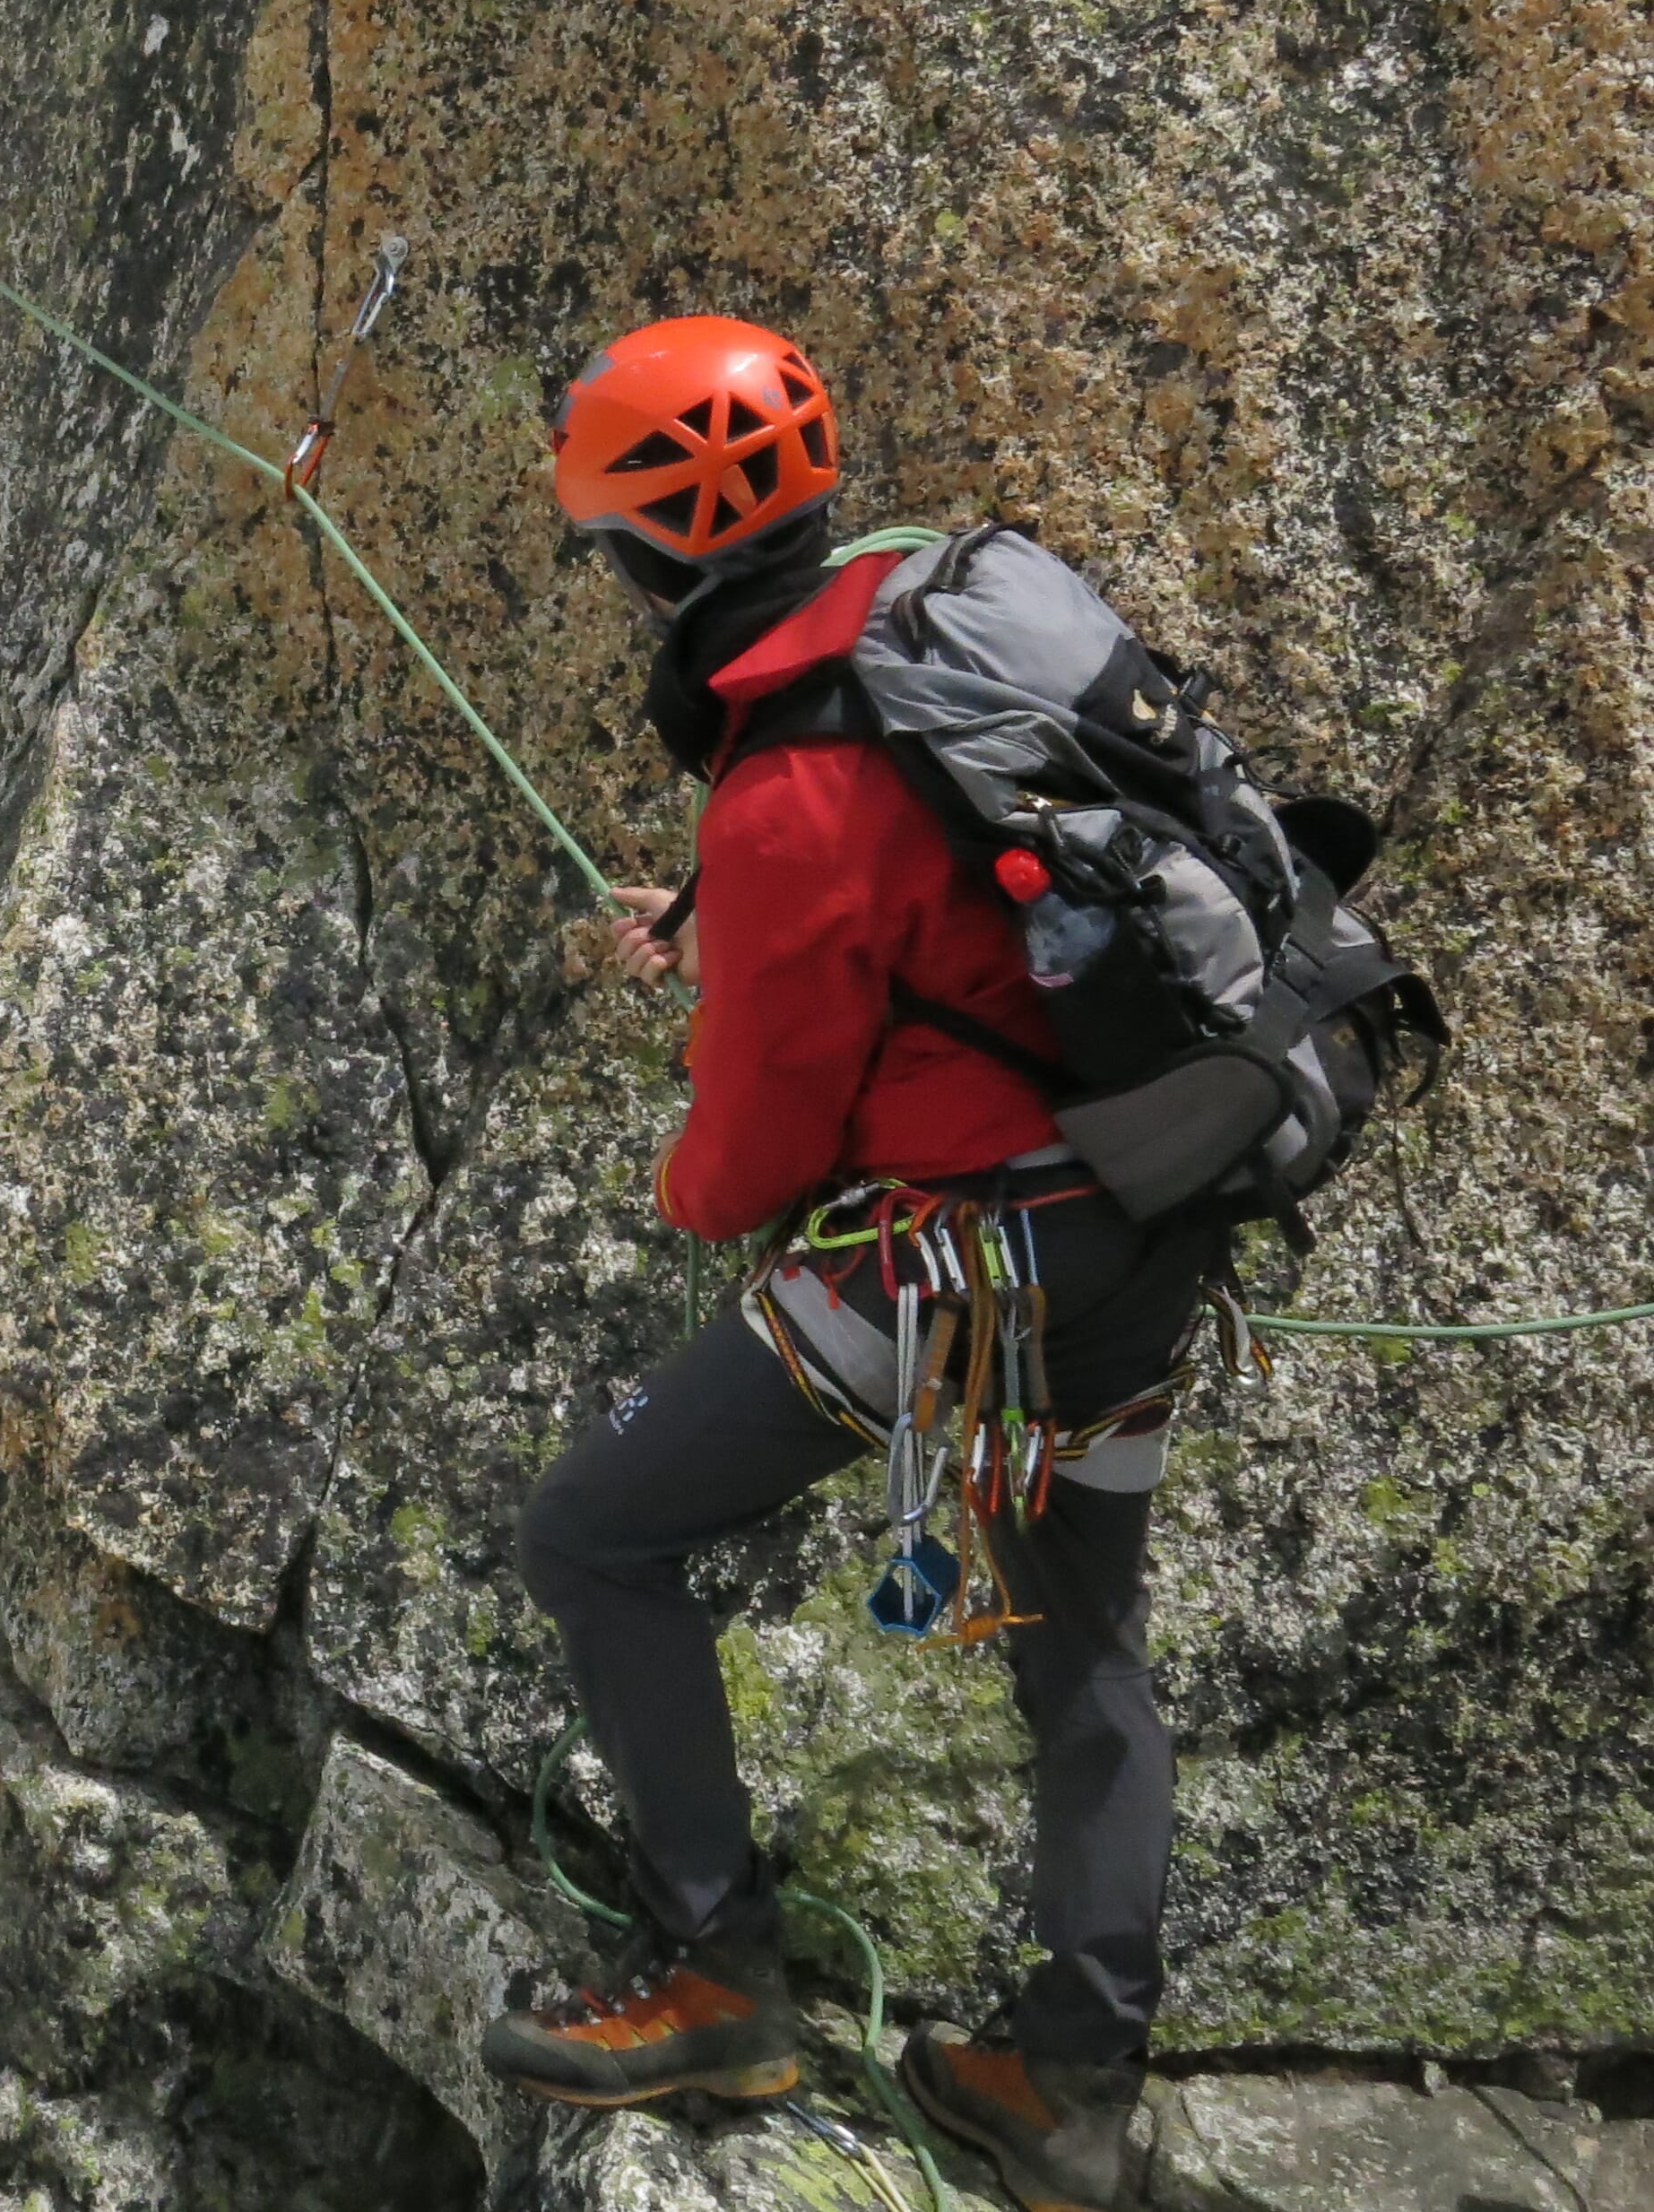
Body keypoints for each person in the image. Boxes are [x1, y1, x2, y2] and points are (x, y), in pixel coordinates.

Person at [479, 317, 1205, 2212]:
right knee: (1084, 1652)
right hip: (1144, 1210)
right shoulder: (936, 609)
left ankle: (717, 1979)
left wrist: (694, 1125)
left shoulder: (781, 788)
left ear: (648, 553)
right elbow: (950, 882)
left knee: (593, 1535)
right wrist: (724, 915)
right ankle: (1064, 2094)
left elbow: (746, 1168)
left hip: (961, 1260)